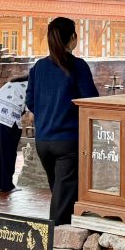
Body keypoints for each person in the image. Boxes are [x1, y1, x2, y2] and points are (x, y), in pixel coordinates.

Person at [26, 17, 98, 225]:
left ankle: (67, 231)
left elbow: (30, 101)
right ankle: (55, 238)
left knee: (59, 192)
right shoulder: (77, 66)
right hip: (68, 142)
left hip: (43, 142)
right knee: (62, 200)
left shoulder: (39, 67)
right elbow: (91, 101)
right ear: (73, 38)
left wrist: (48, 113)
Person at [0, 75, 28, 193]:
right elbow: (32, 108)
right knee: (8, 151)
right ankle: (7, 185)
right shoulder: (33, 85)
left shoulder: (14, 82)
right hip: (8, 116)